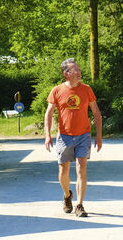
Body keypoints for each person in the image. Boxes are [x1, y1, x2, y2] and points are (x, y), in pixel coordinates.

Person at [44, 58, 103, 217]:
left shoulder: (87, 89)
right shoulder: (56, 90)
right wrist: (47, 135)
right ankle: (67, 195)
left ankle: (80, 205)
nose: (78, 72)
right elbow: (49, 113)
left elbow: (96, 113)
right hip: (64, 136)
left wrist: (99, 135)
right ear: (66, 74)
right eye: (74, 70)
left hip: (84, 135)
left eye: (79, 69)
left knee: (81, 168)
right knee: (63, 172)